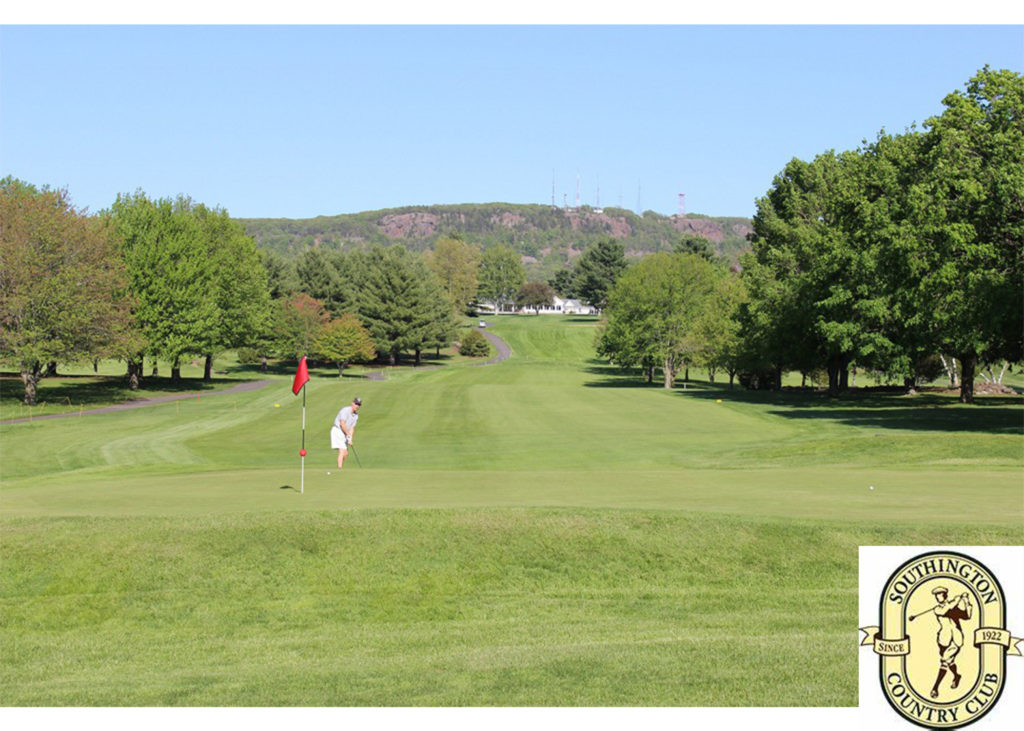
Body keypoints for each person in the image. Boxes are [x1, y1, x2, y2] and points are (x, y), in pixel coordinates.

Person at [927, 586, 972, 698]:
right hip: (943, 640)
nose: (938, 597)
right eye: (936, 595)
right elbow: (944, 610)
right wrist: (957, 600)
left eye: (940, 594)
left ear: (945, 595)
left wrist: (966, 601)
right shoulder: (937, 609)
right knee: (949, 661)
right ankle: (957, 676)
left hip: (956, 639)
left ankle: (935, 687)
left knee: (944, 661)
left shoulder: (953, 608)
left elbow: (967, 616)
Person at [331, 397, 361, 470]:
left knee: (345, 453)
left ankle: (339, 468)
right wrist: (348, 434)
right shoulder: (345, 410)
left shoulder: (356, 416)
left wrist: (350, 438)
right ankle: (340, 468)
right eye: (356, 404)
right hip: (337, 430)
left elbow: (352, 428)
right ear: (352, 403)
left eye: (359, 404)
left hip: (344, 433)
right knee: (342, 450)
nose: (357, 406)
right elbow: (342, 424)